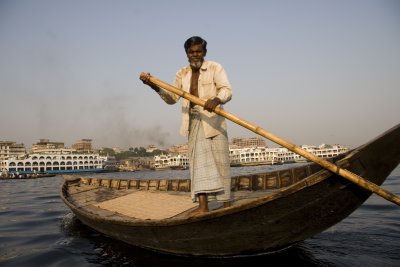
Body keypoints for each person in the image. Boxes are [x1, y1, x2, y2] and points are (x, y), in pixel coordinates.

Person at [140, 36, 233, 217]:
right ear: (187, 54)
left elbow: (226, 90)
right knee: (198, 165)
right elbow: (172, 99)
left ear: (204, 52)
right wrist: (154, 86)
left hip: (214, 121)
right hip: (194, 121)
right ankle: (203, 206)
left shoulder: (215, 67)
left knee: (221, 163)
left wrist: (216, 99)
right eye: (192, 52)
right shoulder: (181, 74)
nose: (195, 55)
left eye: (198, 51)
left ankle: (227, 206)